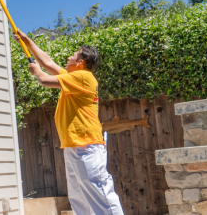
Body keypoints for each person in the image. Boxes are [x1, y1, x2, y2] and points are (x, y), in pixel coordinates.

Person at [14, 30, 124, 215]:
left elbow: (44, 78)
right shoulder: (73, 78)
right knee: (79, 199)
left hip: (86, 146)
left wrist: (36, 72)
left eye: (73, 55)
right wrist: (27, 41)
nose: (68, 56)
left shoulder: (84, 77)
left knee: (101, 194)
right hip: (74, 146)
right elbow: (48, 62)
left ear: (80, 62)